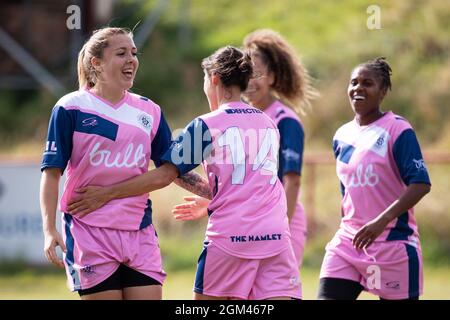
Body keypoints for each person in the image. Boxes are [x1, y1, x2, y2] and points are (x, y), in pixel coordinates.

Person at [67, 46, 302, 300]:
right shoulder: (268, 122)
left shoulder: (207, 125)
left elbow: (165, 174)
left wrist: (106, 193)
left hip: (230, 238)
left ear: (213, 79)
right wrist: (215, 197)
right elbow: (253, 181)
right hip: (276, 237)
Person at [39, 27, 210, 300]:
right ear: (96, 62)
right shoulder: (71, 107)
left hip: (139, 232)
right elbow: (51, 173)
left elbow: (174, 171)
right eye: (121, 53)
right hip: (89, 232)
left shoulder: (149, 111)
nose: (131, 59)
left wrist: (220, 194)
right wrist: (49, 230)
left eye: (133, 53)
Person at [172, 29, 317, 268]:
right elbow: (244, 179)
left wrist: (283, 226)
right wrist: (214, 200)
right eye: (249, 73)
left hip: (279, 218)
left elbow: (292, 181)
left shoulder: (283, 120)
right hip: (252, 221)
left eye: (258, 74)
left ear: (272, 77)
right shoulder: (242, 117)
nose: (250, 81)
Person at [317, 57, 431, 300]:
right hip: (348, 243)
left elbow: (420, 184)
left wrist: (381, 221)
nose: (358, 88)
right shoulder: (342, 135)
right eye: (354, 82)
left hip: (393, 246)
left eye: (367, 83)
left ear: (383, 91)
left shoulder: (398, 130)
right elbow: (347, 192)